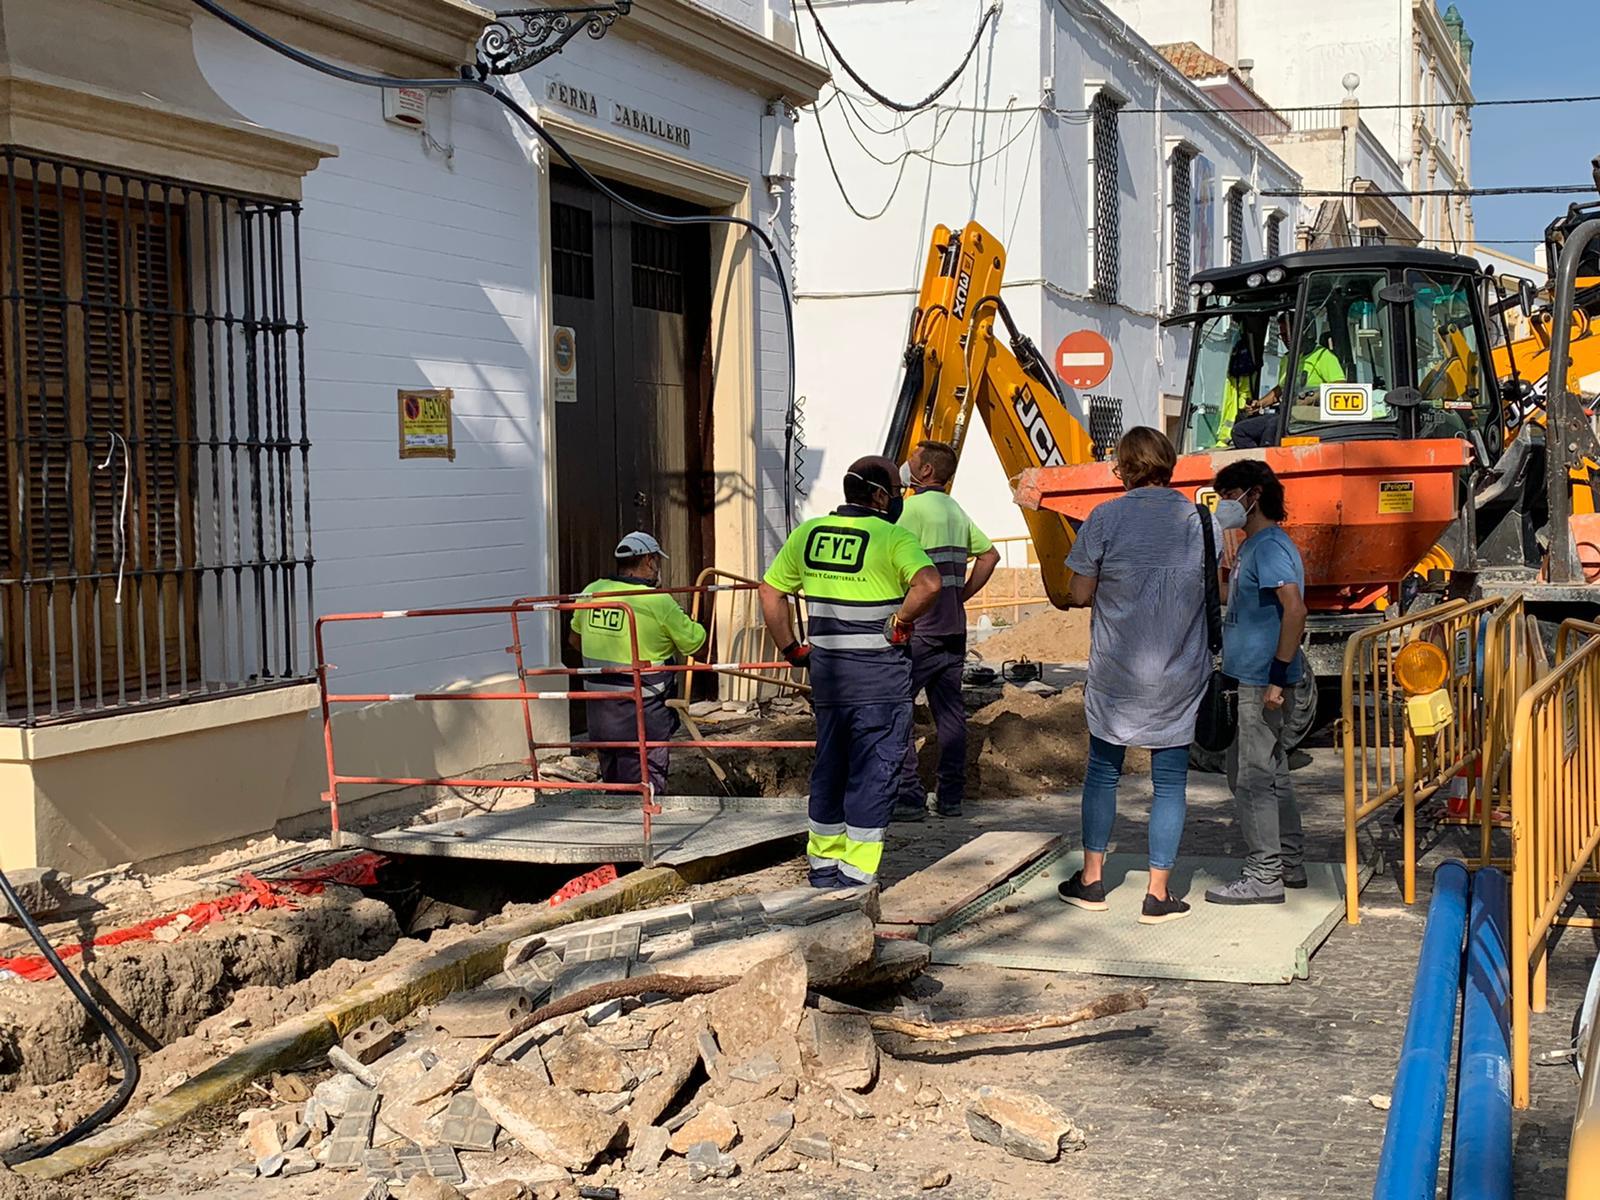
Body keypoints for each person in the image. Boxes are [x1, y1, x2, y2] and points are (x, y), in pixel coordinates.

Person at [759, 456, 941, 889]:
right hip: (879, 681)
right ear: (878, 495)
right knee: (874, 772)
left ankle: (823, 867)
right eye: (895, 492)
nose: (898, 499)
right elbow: (930, 584)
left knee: (831, 767)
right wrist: (901, 620)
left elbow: (770, 591)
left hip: (829, 680)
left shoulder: (809, 534)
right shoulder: (892, 537)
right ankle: (855, 877)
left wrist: (791, 648)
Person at [1054, 428, 1211, 925]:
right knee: (1170, 782)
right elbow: (1217, 588)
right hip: (1180, 670)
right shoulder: (1200, 521)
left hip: (1117, 672)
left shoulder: (1104, 517)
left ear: (1123, 467)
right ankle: (1157, 894)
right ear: (1169, 464)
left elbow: (1080, 593)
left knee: (1103, 772)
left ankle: (1092, 881)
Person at [1203, 459, 1310, 906]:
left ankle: (1264, 875)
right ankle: (1289, 862)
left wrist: (1277, 679)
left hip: (1260, 682)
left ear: (1254, 495)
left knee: (1249, 779)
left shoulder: (1269, 548)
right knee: (1274, 774)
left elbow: (1295, 610)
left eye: (1230, 496)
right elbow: (1239, 597)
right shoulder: (1253, 547)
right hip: (1251, 677)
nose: (1225, 505)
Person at [891, 440, 1001, 820]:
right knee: (951, 713)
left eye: (912, 460)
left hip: (920, 628)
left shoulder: (911, 510)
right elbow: (990, 555)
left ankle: (908, 796)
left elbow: (889, 559)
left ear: (925, 471)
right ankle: (950, 796)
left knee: (896, 706)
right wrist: (962, 594)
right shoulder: (955, 510)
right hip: (953, 628)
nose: (907, 465)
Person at [569, 532, 707, 797]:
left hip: (601, 712)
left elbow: (575, 640)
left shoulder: (591, 592)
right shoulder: (658, 601)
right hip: (644, 715)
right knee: (646, 788)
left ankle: (617, 819)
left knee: (614, 785)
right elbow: (698, 647)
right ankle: (643, 821)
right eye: (657, 561)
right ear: (649, 560)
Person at [1230, 315, 1345, 449]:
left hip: (1311, 417)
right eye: (1282, 335)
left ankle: (1270, 458)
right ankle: (1257, 460)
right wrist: (1260, 404)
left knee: (1272, 429)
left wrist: (1310, 397)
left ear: (1305, 331)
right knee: (1240, 431)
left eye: (1288, 334)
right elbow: (1280, 389)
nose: (1285, 339)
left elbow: (1340, 387)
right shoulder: (1287, 359)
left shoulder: (1323, 356)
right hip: (1286, 415)